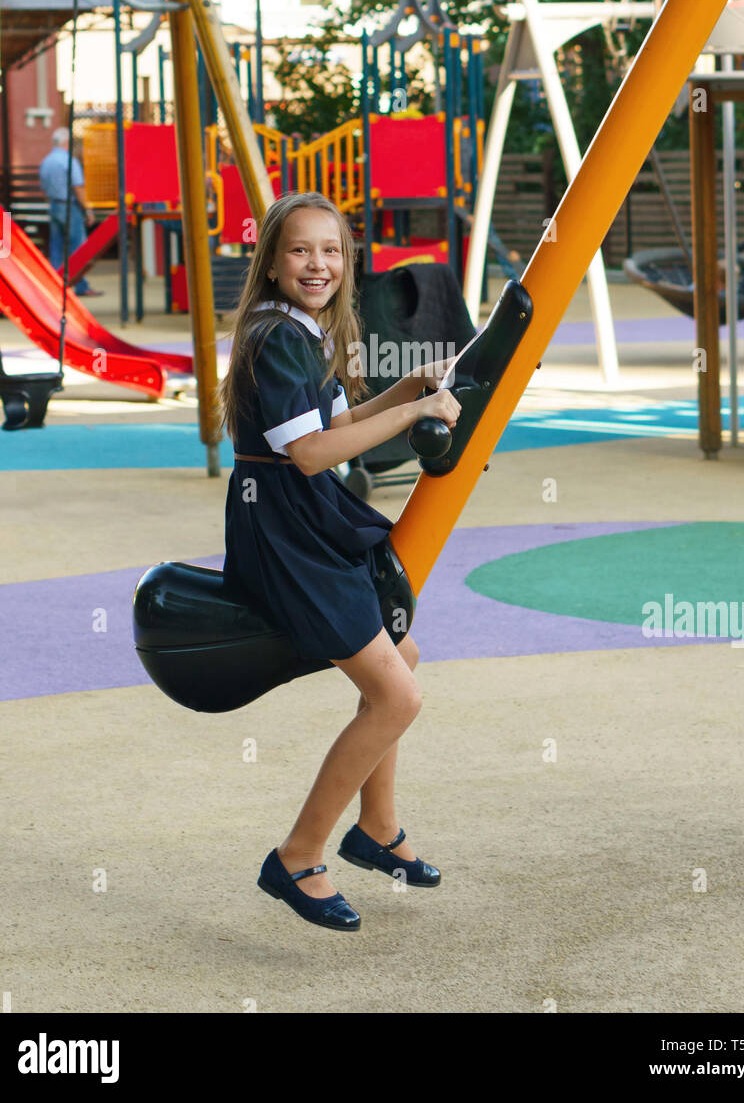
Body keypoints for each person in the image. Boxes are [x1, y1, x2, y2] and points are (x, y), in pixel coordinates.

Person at [216, 190, 462, 932]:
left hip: (299, 519)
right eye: (300, 250)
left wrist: (411, 386)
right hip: (287, 533)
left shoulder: (298, 328)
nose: (317, 264)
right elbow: (313, 452)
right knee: (398, 696)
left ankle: (376, 828)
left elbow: (335, 422)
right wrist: (415, 414)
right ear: (272, 260)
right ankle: (297, 855)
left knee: (403, 654)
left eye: (331, 251)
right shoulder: (277, 335)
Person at [39, 128, 102, 297]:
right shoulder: (69, 161)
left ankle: (55, 285)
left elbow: (44, 187)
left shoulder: (47, 161)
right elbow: (78, 186)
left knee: (57, 246)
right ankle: (81, 284)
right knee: (77, 247)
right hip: (69, 207)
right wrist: (88, 209)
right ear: (66, 143)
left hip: (54, 206)